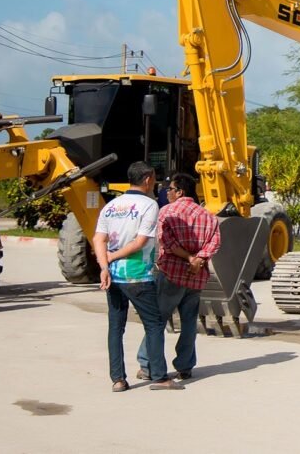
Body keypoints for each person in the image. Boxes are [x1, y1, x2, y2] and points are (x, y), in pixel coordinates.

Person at [92, 161, 178, 392]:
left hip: (113, 276)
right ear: (148, 179)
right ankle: (159, 377)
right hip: (138, 275)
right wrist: (112, 257)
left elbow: (98, 239)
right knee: (154, 324)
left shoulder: (111, 206)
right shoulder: (149, 205)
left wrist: (104, 266)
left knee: (115, 327)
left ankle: (118, 379)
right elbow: (140, 242)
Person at [136, 172, 221, 382]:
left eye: (170, 189)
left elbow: (166, 242)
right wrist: (199, 259)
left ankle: (147, 365)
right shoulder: (208, 216)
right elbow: (215, 242)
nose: (167, 193)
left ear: (180, 192)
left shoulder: (166, 212)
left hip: (171, 275)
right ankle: (185, 366)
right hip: (195, 277)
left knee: (156, 321)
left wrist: (189, 258)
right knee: (189, 322)